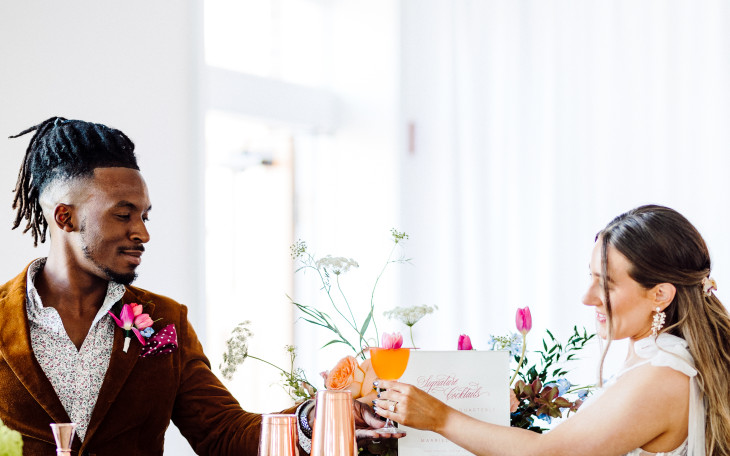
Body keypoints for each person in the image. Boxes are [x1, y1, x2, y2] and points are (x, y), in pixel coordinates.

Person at [0, 117, 387, 455]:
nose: (142, 233)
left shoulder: (164, 321)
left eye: (144, 216)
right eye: (123, 215)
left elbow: (223, 433)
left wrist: (314, 417)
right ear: (65, 218)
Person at [375, 205, 730, 456]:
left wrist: (439, 418)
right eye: (591, 277)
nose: (587, 297)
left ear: (660, 295)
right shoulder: (659, 362)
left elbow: (548, 454)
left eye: (606, 284)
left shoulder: (662, 376)